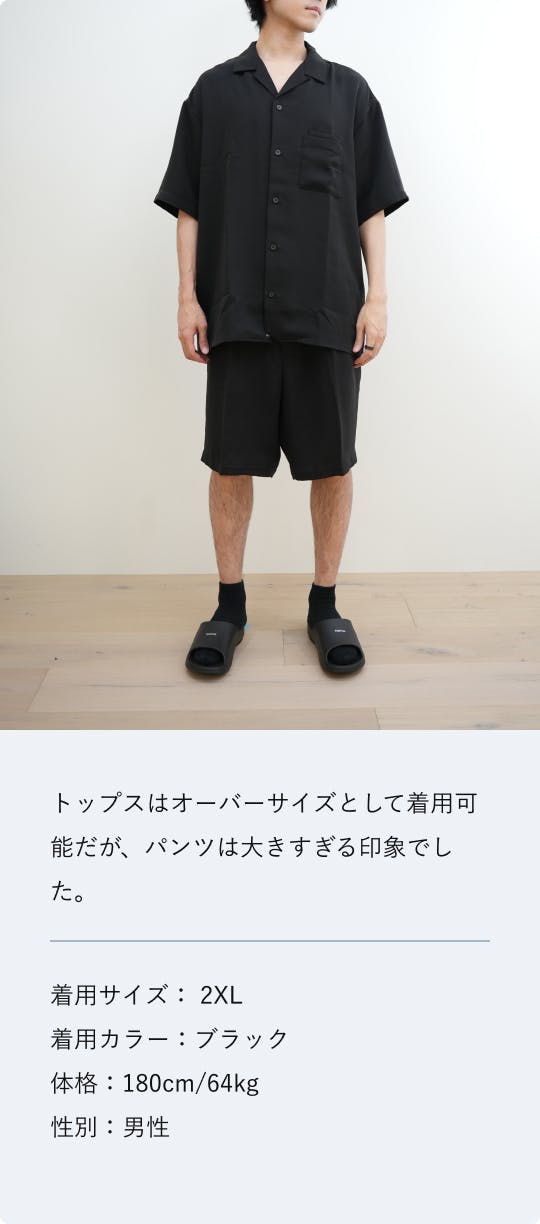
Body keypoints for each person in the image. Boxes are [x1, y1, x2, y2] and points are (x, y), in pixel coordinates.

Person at [154, 0, 409, 677]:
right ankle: (228, 608)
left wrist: (377, 297)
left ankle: (325, 605)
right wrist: (187, 298)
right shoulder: (214, 92)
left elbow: (372, 205)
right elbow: (189, 205)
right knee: (229, 461)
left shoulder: (349, 94)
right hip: (236, 308)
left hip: (328, 311)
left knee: (333, 463)